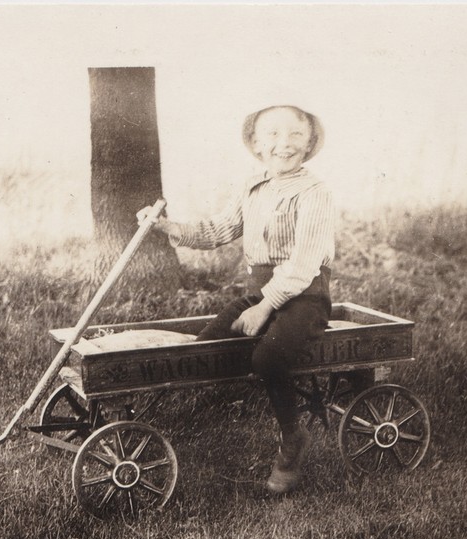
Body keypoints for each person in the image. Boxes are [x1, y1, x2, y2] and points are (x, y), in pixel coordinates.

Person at [139, 104, 335, 494]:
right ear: (258, 144)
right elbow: (218, 229)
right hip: (261, 293)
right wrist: (166, 228)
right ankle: (157, 430)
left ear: (310, 141)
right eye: (273, 135)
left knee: (268, 357)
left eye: (296, 135)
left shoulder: (316, 193)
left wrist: (264, 308)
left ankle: (292, 439)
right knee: (208, 345)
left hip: (305, 297)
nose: (284, 144)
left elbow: (303, 264)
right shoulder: (254, 185)